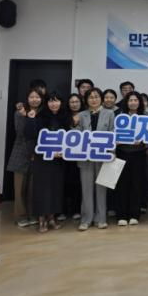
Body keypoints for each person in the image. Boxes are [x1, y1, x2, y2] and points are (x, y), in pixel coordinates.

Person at [25, 92, 70, 233]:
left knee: (56, 188)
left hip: (59, 159)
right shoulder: (39, 116)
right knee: (41, 189)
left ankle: (51, 217)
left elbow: (70, 139)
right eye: (51, 101)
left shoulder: (65, 117)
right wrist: (31, 119)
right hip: (42, 158)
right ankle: (41, 219)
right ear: (46, 103)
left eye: (56, 101)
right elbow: (30, 136)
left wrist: (63, 152)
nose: (54, 104)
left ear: (61, 103)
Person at [77, 88, 115, 231]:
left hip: (102, 156)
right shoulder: (81, 115)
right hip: (85, 157)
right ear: (86, 100)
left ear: (101, 99)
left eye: (96, 96)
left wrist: (112, 153)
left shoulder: (109, 113)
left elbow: (113, 132)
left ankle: (101, 218)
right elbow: (76, 135)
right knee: (86, 189)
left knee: (101, 188)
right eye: (91, 97)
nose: (94, 99)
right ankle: (86, 219)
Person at [6, 88, 42, 227]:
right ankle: (20, 216)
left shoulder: (43, 113)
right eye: (31, 97)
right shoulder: (20, 112)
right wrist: (26, 117)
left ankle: (32, 214)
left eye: (37, 97)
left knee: (33, 188)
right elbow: (20, 132)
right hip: (21, 154)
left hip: (37, 154)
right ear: (27, 99)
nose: (34, 99)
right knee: (20, 188)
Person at [115, 92, 147, 226]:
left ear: (139, 102)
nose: (133, 102)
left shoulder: (145, 118)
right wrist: (117, 141)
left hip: (139, 154)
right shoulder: (118, 116)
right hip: (122, 153)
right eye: (130, 100)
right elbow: (112, 134)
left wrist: (143, 141)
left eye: (135, 100)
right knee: (122, 184)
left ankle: (134, 214)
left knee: (136, 184)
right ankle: (121, 215)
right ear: (126, 102)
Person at [62, 93, 84, 221]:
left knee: (78, 182)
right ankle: (63, 210)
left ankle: (77, 209)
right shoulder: (64, 116)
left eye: (77, 102)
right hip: (65, 154)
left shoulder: (85, 115)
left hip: (81, 154)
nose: (74, 104)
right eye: (72, 102)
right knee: (65, 182)